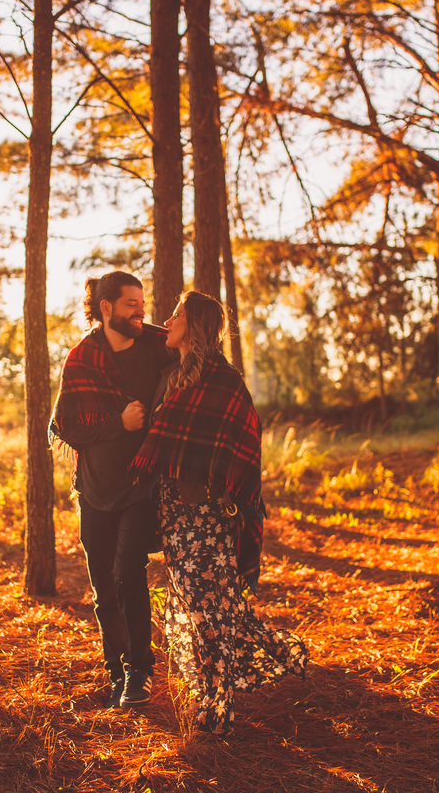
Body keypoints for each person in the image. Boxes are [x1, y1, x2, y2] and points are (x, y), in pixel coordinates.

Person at [132, 290, 308, 735]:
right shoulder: (170, 377)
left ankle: (218, 706)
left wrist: (224, 489)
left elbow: (246, 441)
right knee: (201, 606)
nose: (167, 320)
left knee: (211, 609)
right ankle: (235, 678)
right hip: (173, 514)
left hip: (209, 515)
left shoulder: (225, 380)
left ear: (195, 324)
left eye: (177, 314)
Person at [50, 271, 175, 708]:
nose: (141, 310)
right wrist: (116, 424)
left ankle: (140, 672)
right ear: (106, 309)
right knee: (103, 587)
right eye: (130, 304)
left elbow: (198, 356)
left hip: (140, 486)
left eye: (142, 302)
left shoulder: (157, 347)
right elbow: (65, 426)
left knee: (128, 577)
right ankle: (116, 671)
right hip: (95, 490)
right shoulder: (81, 359)